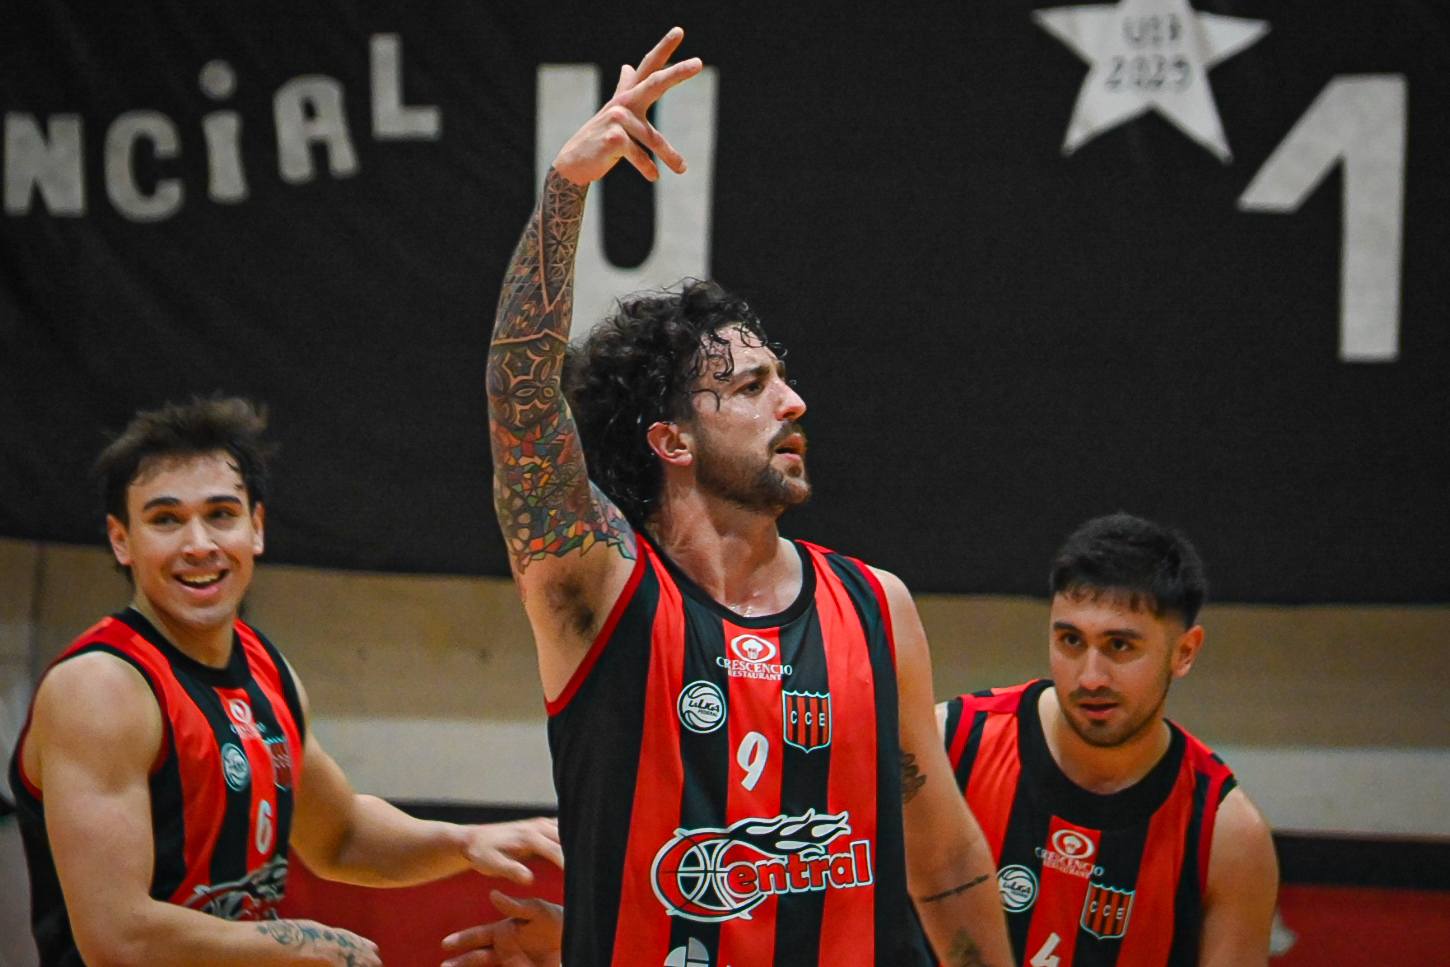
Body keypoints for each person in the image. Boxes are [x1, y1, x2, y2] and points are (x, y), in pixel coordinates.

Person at [481, 25, 1011, 967]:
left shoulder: (876, 606)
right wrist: (565, 191)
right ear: (671, 439)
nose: (793, 401)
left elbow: (946, 858)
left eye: (785, 379)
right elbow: (522, 405)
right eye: (752, 386)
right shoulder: (601, 591)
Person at [8, 396, 563, 966]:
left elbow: (341, 837)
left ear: (256, 528)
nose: (199, 545)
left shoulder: (265, 668)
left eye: (221, 514)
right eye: (166, 520)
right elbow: (118, 936)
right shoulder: (100, 687)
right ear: (121, 540)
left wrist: (465, 842)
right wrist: (297, 945)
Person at [937, 513, 1278, 966]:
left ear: (1184, 652)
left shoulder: (1228, 835)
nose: (1091, 678)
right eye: (1071, 640)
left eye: (1120, 646)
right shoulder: (949, 743)